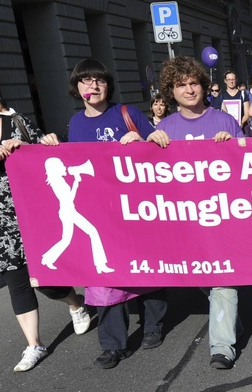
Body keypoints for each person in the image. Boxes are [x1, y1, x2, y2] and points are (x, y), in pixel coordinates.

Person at [0, 76, 91, 372]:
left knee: (47, 279)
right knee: (18, 283)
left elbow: (48, 154)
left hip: (37, 212)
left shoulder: (16, 122)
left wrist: (27, 144)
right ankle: (34, 345)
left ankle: (76, 303)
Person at [66, 58, 167, 369]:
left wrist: (143, 139)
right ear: (77, 87)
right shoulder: (76, 123)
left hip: (137, 208)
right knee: (104, 276)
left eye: (99, 80)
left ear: (108, 85)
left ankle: (153, 326)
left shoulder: (127, 113)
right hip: (100, 212)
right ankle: (112, 345)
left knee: (147, 268)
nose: (93, 86)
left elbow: (161, 147)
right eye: (86, 81)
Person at [147, 55, 244, 370]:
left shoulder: (224, 120)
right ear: (170, 92)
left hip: (223, 217)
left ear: (203, 85)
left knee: (222, 279)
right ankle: (230, 321)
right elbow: (148, 175)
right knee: (205, 278)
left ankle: (222, 347)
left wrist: (233, 144)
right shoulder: (167, 126)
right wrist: (148, 143)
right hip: (186, 221)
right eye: (181, 85)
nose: (189, 90)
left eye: (193, 83)